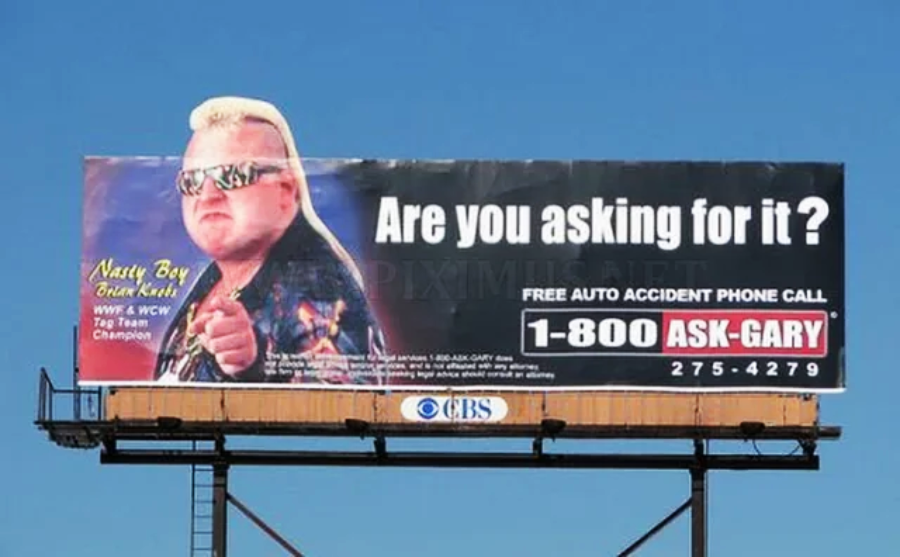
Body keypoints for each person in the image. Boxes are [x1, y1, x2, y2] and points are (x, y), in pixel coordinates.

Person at [153, 96, 386, 384]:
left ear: (285, 191)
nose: (208, 195)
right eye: (191, 181)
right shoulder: (217, 278)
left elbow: (346, 396)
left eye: (234, 176)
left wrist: (254, 364)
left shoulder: (319, 285)